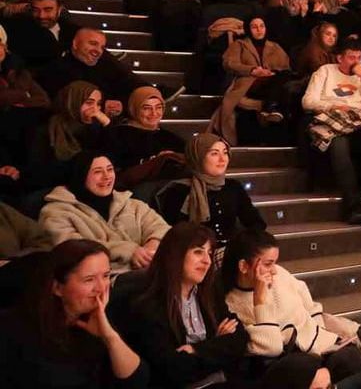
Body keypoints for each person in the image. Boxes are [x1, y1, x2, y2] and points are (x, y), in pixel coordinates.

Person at [222, 228, 361, 384]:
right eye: (267, 264)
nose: (274, 271)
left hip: (321, 344)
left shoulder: (279, 274)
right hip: (292, 361)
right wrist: (260, 300)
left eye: (275, 263)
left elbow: (308, 302)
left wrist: (319, 329)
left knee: (354, 362)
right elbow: (272, 346)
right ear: (244, 266)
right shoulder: (233, 304)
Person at [0, 239, 149, 389]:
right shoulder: (14, 327)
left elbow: (137, 381)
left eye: (105, 276)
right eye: (89, 280)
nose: (101, 288)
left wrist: (110, 338)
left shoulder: (100, 316)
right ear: (57, 288)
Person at [127, 222, 249, 388]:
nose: (207, 261)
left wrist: (196, 350)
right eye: (198, 252)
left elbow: (240, 339)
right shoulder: (149, 305)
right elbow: (174, 369)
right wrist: (218, 345)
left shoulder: (210, 294)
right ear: (175, 255)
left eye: (210, 253)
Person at [39, 150, 170, 275]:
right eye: (97, 172)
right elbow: (71, 248)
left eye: (110, 169)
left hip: (145, 273)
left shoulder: (133, 205)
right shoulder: (55, 212)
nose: (107, 176)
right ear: (81, 176)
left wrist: (150, 250)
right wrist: (128, 251)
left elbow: (161, 229)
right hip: (100, 280)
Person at [301, 37, 361, 224]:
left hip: (360, 124)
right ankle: (354, 206)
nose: (356, 62)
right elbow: (308, 102)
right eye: (351, 57)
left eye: (359, 57)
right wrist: (334, 106)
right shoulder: (325, 71)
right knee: (338, 143)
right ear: (339, 58)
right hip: (333, 121)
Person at [155, 133, 265, 248]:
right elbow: (173, 235)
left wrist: (242, 245)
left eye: (225, 152)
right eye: (214, 154)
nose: (222, 159)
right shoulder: (179, 190)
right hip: (194, 252)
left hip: (230, 250)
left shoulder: (233, 186)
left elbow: (256, 222)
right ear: (198, 157)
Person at [211, 15, 293, 144]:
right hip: (249, 84)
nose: (259, 30)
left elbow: (285, 66)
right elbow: (229, 63)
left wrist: (271, 72)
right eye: (254, 27)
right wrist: (252, 70)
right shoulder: (240, 44)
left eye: (262, 26)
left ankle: (270, 107)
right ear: (248, 29)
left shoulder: (275, 46)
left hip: (271, 83)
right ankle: (270, 106)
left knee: (286, 77)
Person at [27, 80, 113, 190]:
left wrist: (107, 124)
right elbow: (38, 170)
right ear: (72, 102)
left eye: (98, 104)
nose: (96, 109)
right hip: (57, 187)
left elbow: (111, 159)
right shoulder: (49, 129)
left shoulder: (96, 128)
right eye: (89, 102)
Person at [104, 86, 186, 192]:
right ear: (134, 108)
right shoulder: (118, 135)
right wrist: (154, 161)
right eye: (146, 108)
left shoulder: (170, 137)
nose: (154, 113)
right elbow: (116, 170)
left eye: (158, 107)